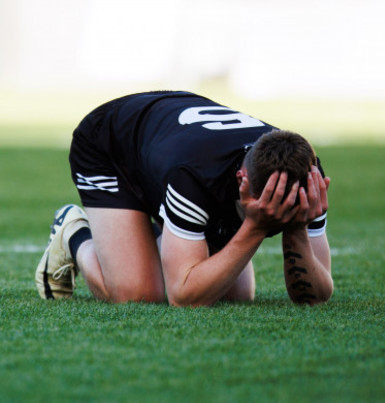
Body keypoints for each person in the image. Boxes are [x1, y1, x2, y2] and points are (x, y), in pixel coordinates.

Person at [34, 91, 332, 306]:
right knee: (139, 294)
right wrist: (254, 228)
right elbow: (183, 295)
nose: (278, 208)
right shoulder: (194, 176)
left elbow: (315, 297)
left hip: (172, 141)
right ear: (242, 180)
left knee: (236, 296)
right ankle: (74, 232)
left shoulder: (305, 177)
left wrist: (296, 226)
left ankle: (152, 235)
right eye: (267, 202)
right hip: (113, 144)